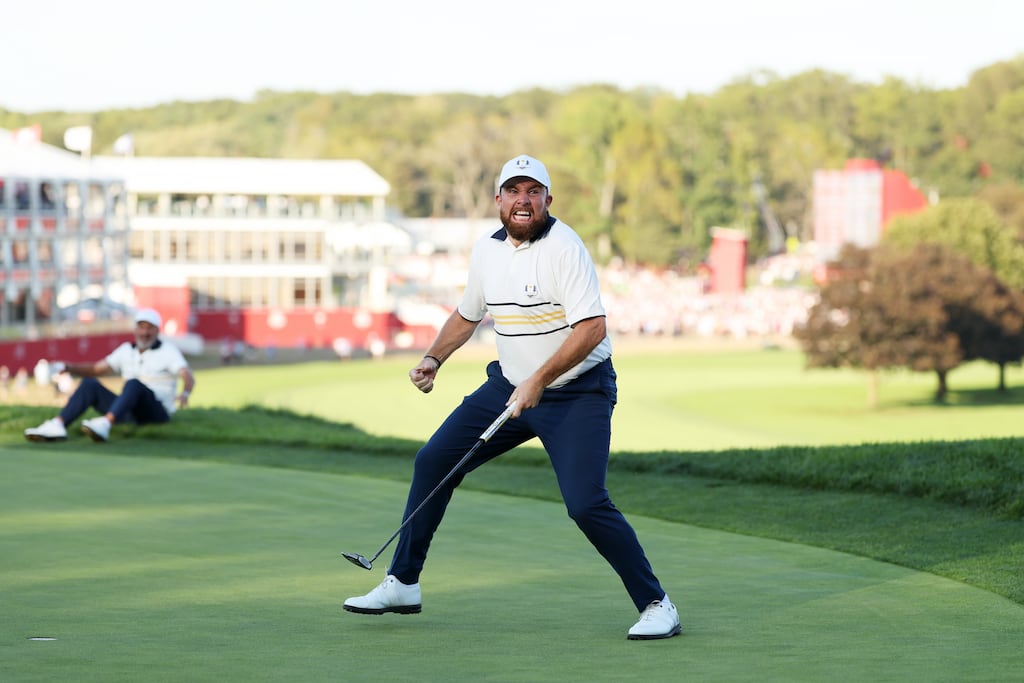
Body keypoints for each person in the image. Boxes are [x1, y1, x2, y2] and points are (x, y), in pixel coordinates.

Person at [343, 154, 680, 640]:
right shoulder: (487, 250)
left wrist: (539, 380)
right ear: (498, 199)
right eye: (514, 191)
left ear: (547, 199)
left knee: (585, 503)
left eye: (533, 192)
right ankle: (403, 582)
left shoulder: (565, 247)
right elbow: (468, 314)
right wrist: (433, 359)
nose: (523, 200)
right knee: (434, 461)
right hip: (509, 386)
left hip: (577, 393)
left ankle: (657, 604)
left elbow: (592, 328)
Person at [24, 308, 196, 443]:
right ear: (135, 329)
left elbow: (186, 374)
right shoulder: (126, 350)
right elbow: (97, 369)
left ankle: (105, 423)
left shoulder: (168, 350)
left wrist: (185, 393)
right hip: (128, 411)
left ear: (157, 330)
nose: (144, 332)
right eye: (141, 327)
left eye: (149, 328)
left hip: (156, 412)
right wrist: (68, 367)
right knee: (90, 384)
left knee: (133, 384)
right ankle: (58, 424)